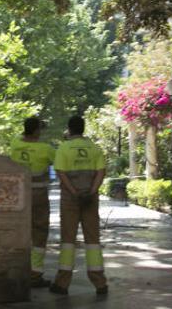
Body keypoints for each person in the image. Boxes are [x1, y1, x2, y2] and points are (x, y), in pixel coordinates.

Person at [50, 115, 108, 296]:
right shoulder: (94, 148)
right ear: (83, 128)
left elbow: (61, 172)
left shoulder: (64, 148)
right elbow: (101, 171)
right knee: (93, 240)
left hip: (70, 199)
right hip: (91, 199)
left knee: (68, 240)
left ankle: (62, 283)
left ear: (70, 129)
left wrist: (74, 193)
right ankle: (100, 283)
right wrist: (92, 191)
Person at [7, 116, 55, 288]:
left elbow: (19, 138)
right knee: (39, 233)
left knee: (19, 231)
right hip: (39, 196)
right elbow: (57, 163)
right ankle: (35, 274)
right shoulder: (45, 149)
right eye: (40, 129)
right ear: (36, 131)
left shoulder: (15, 144)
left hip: (17, 195)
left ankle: (16, 270)